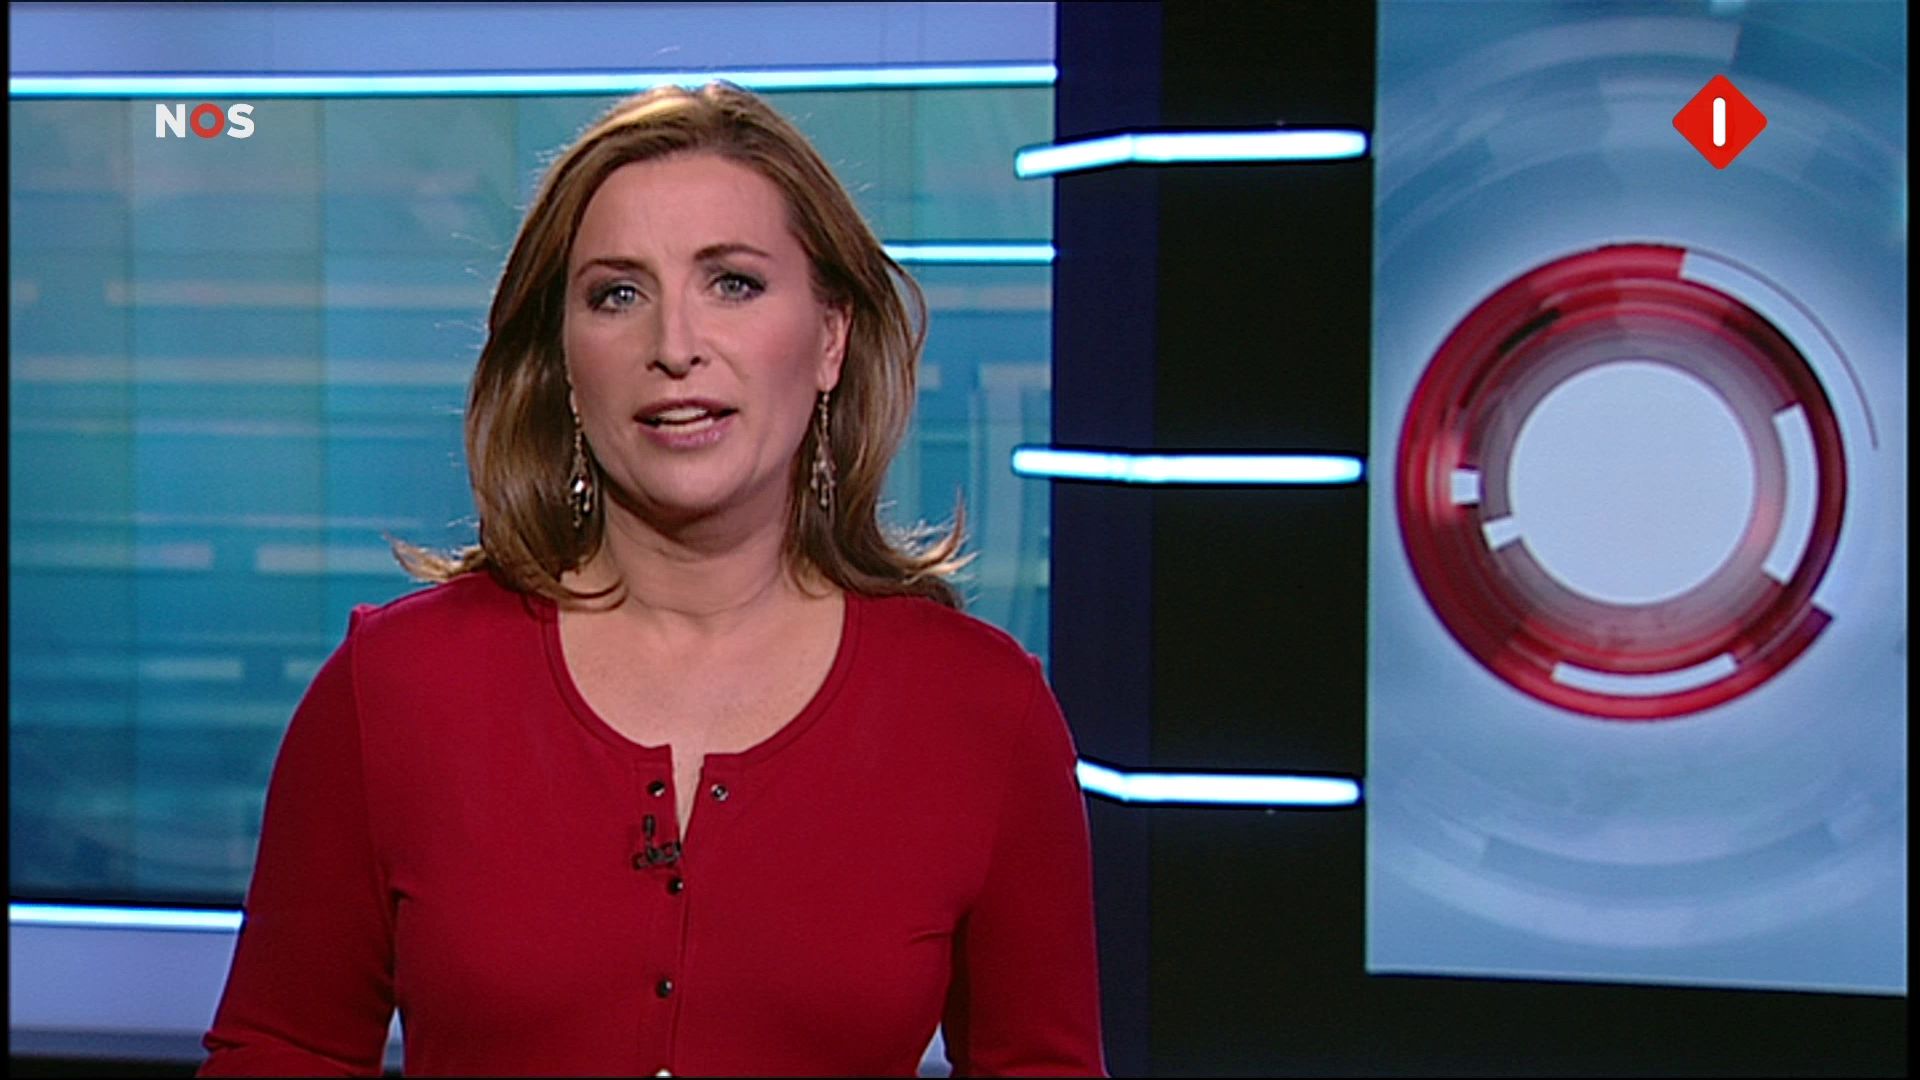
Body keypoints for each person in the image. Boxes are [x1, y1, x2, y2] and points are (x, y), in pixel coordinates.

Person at [197, 81, 1105, 1077]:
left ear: (830, 339)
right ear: (563, 360)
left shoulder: (980, 711)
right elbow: (281, 1050)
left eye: (734, 284)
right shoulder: (395, 689)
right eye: (617, 295)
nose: (674, 348)